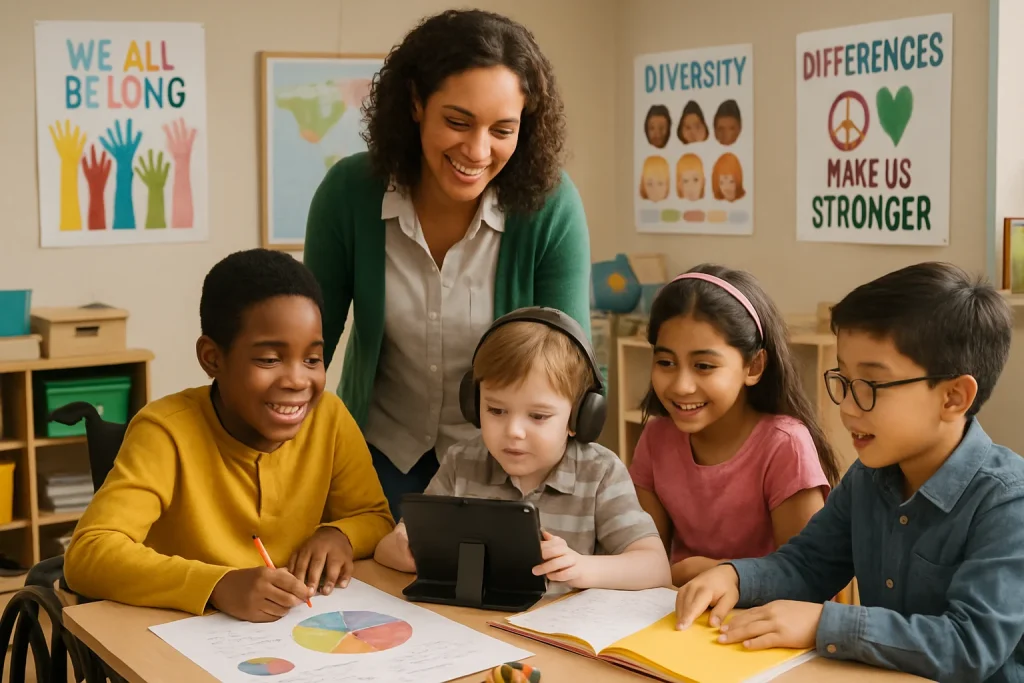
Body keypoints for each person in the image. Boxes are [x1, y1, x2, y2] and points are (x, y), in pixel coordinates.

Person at [303, 9, 592, 521]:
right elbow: (307, 350)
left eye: (502, 129)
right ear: (416, 102)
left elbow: (571, 370)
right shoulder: (348, 195)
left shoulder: (551, 207)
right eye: (458, 122)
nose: (477, 151)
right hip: (377, 457)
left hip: (508, 464)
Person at [675, 263, 1024, 683]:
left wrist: (825, 624)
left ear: (953, 397)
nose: (847, 407)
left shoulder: (1008, 502)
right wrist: (736, 576)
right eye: (844, 378)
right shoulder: (868, 478)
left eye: (871, 386)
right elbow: (807, 565)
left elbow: (969, 646)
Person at [64, 249, 394, 622]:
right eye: (269, 360)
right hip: (186, 638)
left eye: (312, 359)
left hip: (292, 632)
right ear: (212, 358)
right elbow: (88, 553)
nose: (298, 380)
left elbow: (374, 517)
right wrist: (218, 585)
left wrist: (339, 534)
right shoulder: (165, 430)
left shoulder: (329, 417)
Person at [375, 308, 671, 592]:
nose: (513, 431)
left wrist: (582, 567)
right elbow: (387, 549)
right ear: (473, 405)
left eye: (538, 416)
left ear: (579, 416)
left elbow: (655, 566)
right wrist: (401, 548)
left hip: (557, 637)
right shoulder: (462, 463)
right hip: (475, 630)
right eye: (496, 410)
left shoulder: (600, 472)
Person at [630, 265, 838, 587]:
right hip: (674, 613)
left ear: (753, 366)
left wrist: (718, 571)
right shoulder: (656, 437)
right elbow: (645, 557)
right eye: (666, 362)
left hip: (760, 620)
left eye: (704, 366)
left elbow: (808, 577)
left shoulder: (785, 445)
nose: (682, 385)